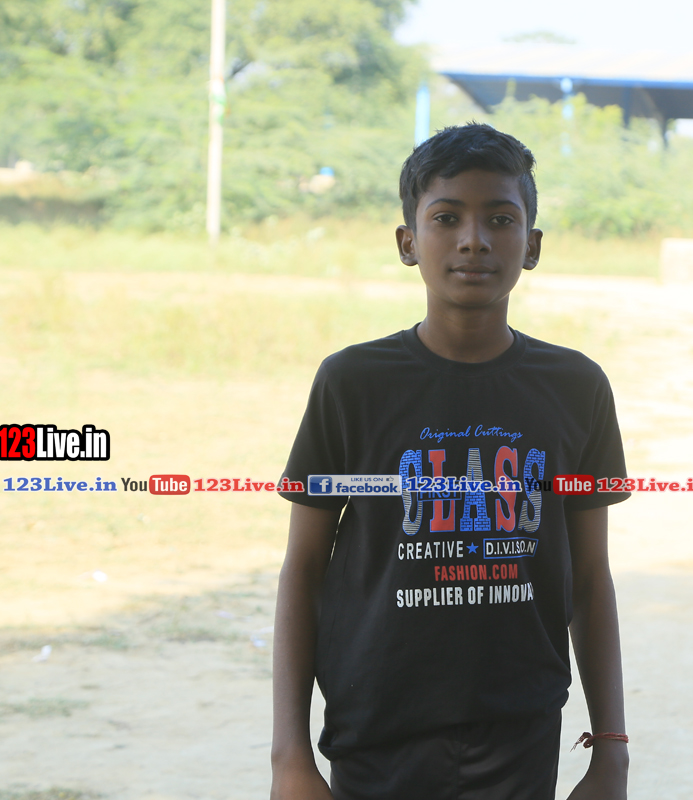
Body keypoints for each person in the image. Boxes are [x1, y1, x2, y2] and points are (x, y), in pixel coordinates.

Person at [270, 123, 631, 800]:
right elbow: (305, 570)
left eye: (500, 218)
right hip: (376, 733)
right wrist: (289, 757)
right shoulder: (352, 383)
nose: (474, 240)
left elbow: (589, 578)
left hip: (521, 734)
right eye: (446, 218)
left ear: (532, 245)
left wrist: (611, 752)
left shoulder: (576, 387)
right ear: (408, 242)